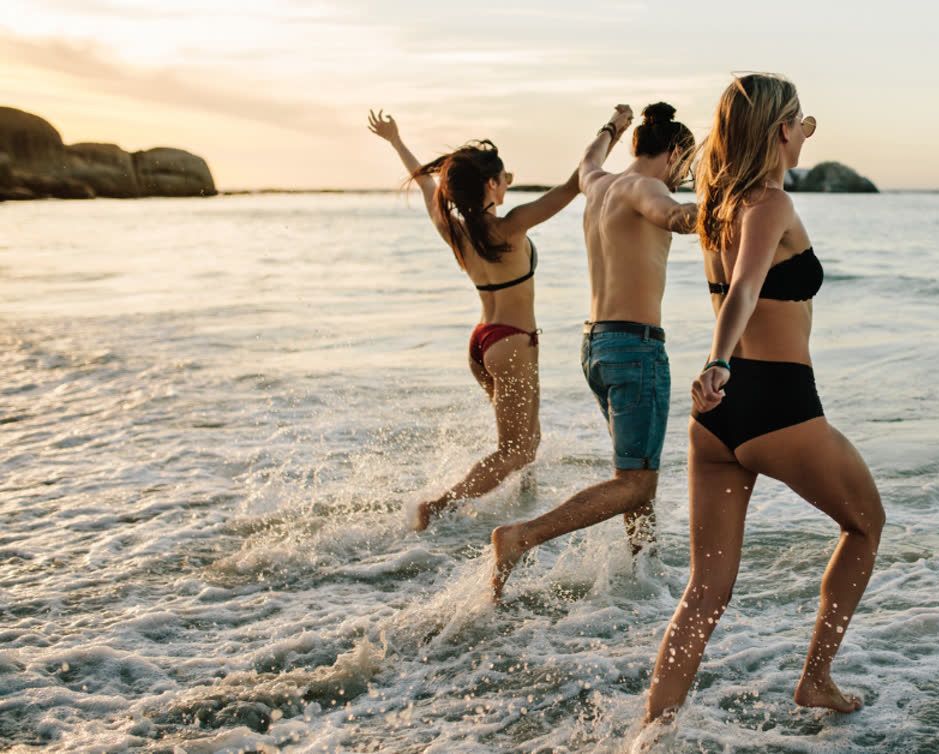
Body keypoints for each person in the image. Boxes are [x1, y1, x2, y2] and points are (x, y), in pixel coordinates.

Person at [643, 74, 885, 722]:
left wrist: (800, 130)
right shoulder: (771, 204)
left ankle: (651, 729)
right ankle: (817, 678)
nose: (805, 131)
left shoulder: (718, 205)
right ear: (778, 131)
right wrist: (717, 359)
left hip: (718, 422)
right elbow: (748, 289)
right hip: (780, 406)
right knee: (866, 524)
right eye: (798, 123)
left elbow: (739, 278)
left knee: (705, 591)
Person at [366, 107, 631, 532]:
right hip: (511, 344)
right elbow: (575, 183)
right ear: (490, 184)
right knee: (515, 451)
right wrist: (613, 130)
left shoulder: (455, 230)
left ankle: (521, 508)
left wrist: (396, 140)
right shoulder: (510, 227)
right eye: (504, 176)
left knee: (528, 442)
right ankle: (437, 508)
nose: (509, 181)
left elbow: (424, 183)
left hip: (484, 342)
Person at [489, 103, 698, 599]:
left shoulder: (597, 181)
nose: (684, 174)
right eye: (685, 163)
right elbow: (673, 216)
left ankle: (643, 572)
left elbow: (587, 156)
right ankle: (521, 538)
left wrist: (612, 126)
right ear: (672, 153)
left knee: (635, 469)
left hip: (596, 345)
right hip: (635, 347)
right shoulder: (647, 188)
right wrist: (730, 204)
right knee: (636, 482)